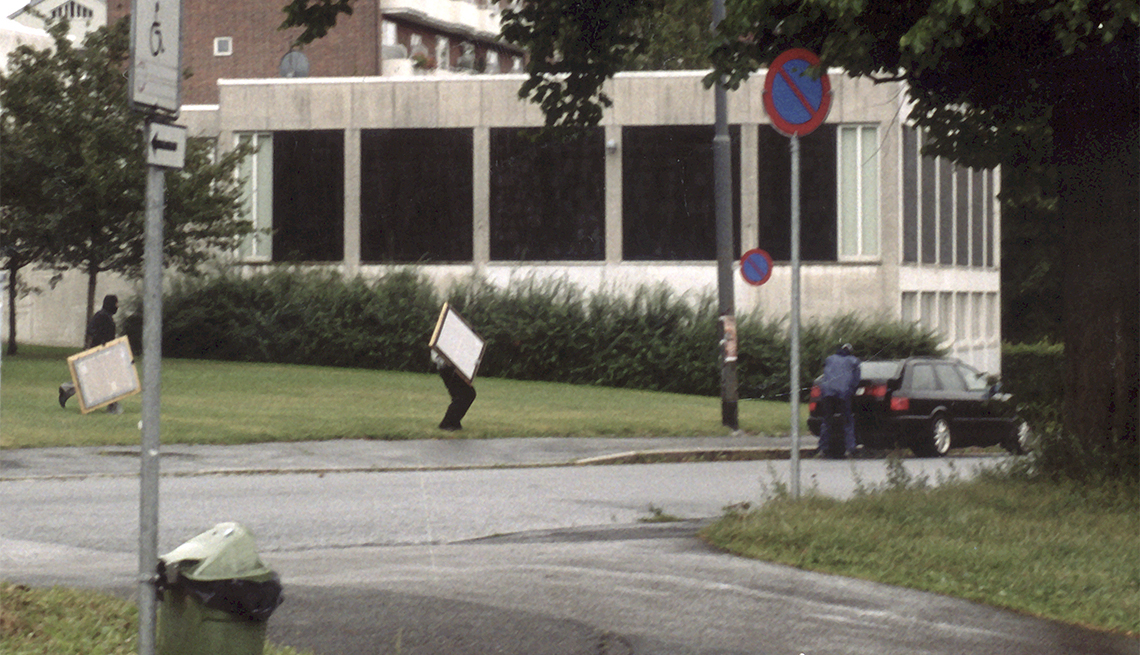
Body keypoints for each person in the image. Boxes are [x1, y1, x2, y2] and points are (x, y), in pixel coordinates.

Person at [59, 294, 122, 413]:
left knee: (97, 379)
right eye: (116, 303)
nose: (117, 306)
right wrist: (101, 340)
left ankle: (67, 389)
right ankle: (113, 406)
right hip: (98, 354)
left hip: (104, 354)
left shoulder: (107, 317)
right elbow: (90, 329)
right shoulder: (101, 316)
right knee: (106, 379)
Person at [817, 343, 861, 459]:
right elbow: (855, 381)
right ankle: (850, 449)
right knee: (847, 421)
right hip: (843, 393)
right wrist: (851, 392)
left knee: (827, 421)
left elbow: (825, 375)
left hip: (827, 393)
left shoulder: (829, 359)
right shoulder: (854, 361)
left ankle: (822, 448)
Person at [432, 350, 476, 431]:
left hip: (450, 366)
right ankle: (447, 423)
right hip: (448, 366)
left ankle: (453, 422)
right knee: (466, 394)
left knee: (465, 394)